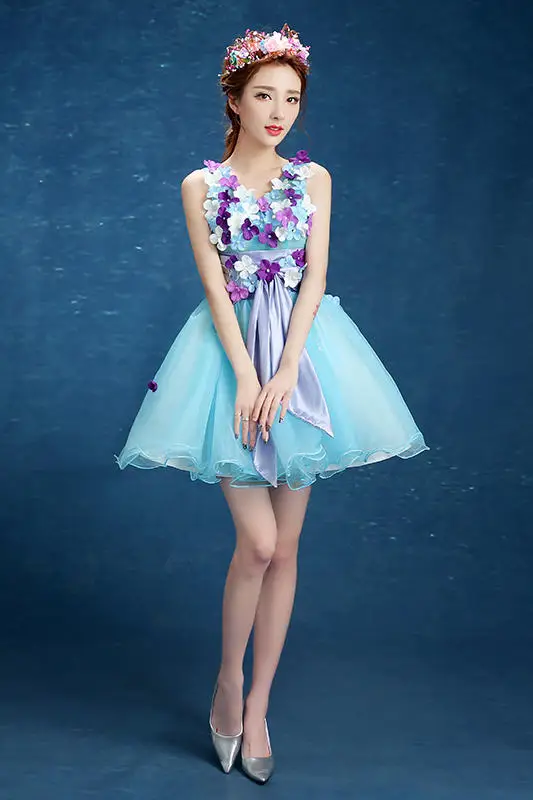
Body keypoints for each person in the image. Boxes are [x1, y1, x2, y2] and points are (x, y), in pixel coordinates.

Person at [115, 23, 429, 784]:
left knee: (285, 549)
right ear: (234, 99)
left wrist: (286, 368)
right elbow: (214, 287)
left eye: (291, 98)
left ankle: (257, 708)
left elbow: (315, 277)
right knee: (255, 544)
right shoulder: (200, 188)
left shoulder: (312, 179)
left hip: (305, 353)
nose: (279, 111)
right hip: (227, 360)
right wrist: (248, 378)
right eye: (264, 95)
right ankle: (227, 683)